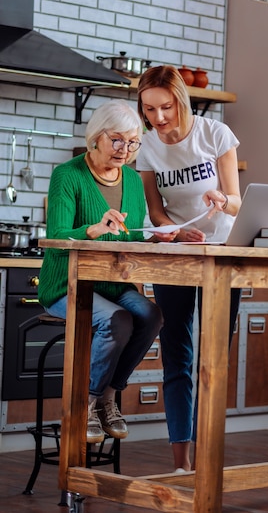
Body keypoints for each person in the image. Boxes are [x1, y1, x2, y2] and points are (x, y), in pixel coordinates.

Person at [38, 99, 163, 445]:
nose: (126, 149)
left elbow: (130, 235)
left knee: (151, 314)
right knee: (118, 320)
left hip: (113, 283)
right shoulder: (68, 175)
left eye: (133, 142)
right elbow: (57, 235)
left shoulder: (134, 182)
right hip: (67, 284)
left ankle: (109, 396)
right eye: (117, 140)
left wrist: (156, 235)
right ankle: (86, 404)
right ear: (97, 136)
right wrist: (92, 229)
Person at [136, 65, 242, 471]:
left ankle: (208, 456)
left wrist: (220, 198)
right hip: (177, 257)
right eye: (149, 109)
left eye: (166, 107)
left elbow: (236, 201)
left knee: (214, 358)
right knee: (177, 354)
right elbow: (156, 212)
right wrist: (175, 234)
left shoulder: (215, 134)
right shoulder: (146, 146)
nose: (159, 118)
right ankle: (182, 463)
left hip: (221, 254)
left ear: (182, 99)